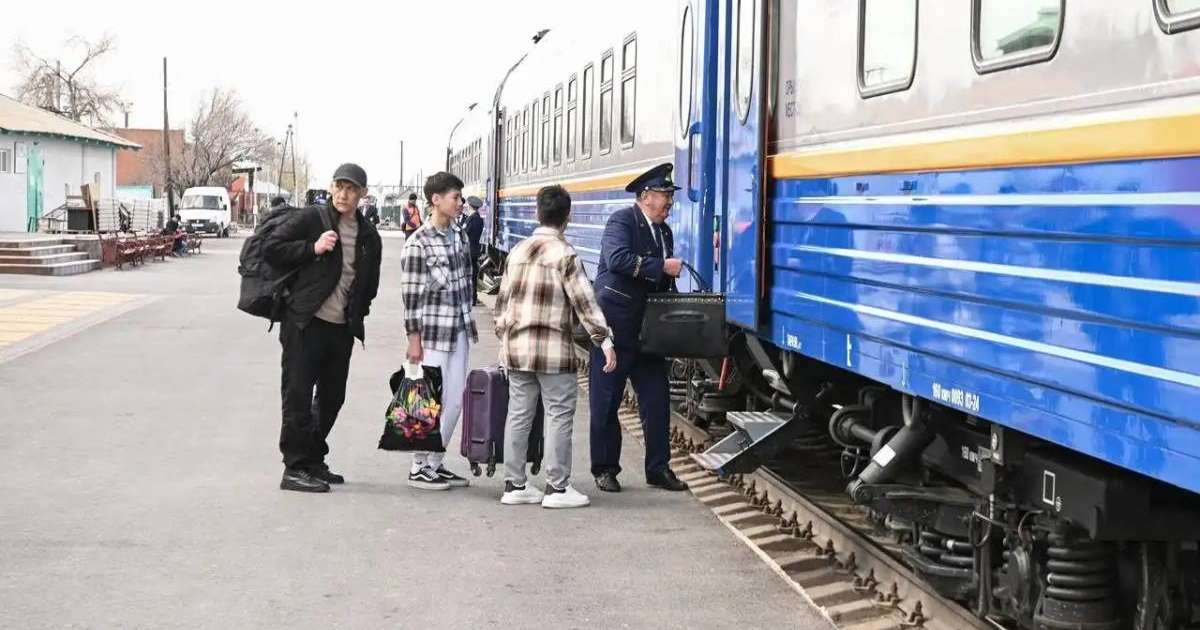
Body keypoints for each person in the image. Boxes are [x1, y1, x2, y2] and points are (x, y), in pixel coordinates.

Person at [494, 185, 617, 508]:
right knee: (559, 415)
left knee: (519, 415)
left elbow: (502, 306)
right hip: (553, 352)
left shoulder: (518, 251)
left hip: (517, 349)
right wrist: (604, 341)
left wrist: (505, 339)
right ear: (568, 217)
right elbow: (585, 303)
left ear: (537, 213)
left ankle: (514, 485)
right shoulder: (565, 255)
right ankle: (557, 488)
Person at [263, 163, 382, 493]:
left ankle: (312, 459)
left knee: (332, 398)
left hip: (341, 329)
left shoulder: (369, 235)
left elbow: (369, 284)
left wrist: (358, 313)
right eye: (339, 186)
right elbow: (271, 249)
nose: (344, 194)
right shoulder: (312, 219)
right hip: (305, 323)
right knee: (298, 395)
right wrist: (311, 248)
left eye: (352, 189)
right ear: (331, 188)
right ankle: (295, 468)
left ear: (363, 195)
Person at [588, 163, 689, 493]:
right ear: (646, 197)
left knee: (657, 402)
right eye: (665, 196)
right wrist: (661, 266)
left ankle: (658, 468)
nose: (670, 204)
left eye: (670, 197)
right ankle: (605, 468)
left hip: (649, 330)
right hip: (616, 328)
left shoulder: (664, 231)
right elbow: (617, 259)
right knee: (606, 401)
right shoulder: (622, 221)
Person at [399, 172, 478, 490]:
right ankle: (419, 465)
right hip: (432, 333)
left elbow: (466, 279)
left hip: (458, 328)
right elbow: (411, 297)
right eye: (455, 197)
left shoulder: (459, 235)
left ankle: (435, 461)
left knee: (456, 400)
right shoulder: (419, 243)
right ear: (436, 200)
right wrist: (413, 341)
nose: (460, 203)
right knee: (429, 401)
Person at [463, 196, 485, 306]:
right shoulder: (479, 219)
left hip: (469, 250)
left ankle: (471, 298)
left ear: (470, 206)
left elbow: (465, 233)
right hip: (475, 249)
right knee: (473, 275)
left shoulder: (472, 219)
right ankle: (473, 297)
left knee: (469, 275)